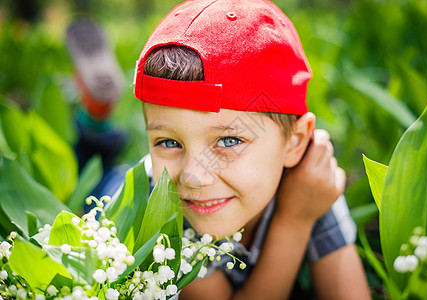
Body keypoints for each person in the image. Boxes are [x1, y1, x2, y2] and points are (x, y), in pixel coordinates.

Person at [131, 0, 371, 299]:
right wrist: (294, 222)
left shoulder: (311, 183)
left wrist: (300, 211)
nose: (194, 177)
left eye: (229, 140)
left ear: (295, 142)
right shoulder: (160, 205)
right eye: (168, 142)